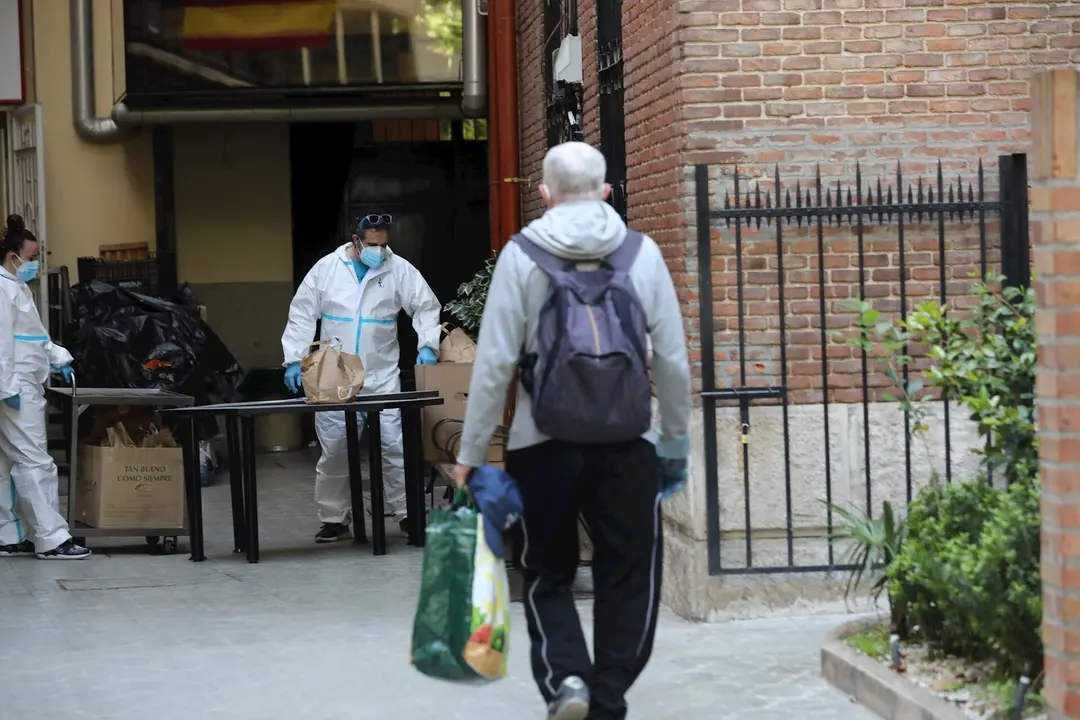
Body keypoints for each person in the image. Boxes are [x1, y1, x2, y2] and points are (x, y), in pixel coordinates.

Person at [453, 142, 692, 720]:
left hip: (543, 444)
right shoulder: (642, 254)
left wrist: (471, 452)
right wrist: (675, 444)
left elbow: (494, 365)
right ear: (606, 190)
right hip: (629, 442)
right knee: (629, 574)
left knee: (546, 572)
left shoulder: (521, 255)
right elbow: (673, 362)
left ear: (544, 193)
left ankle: (568, 682)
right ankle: (607, 695)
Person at [281, 212, 441, 543]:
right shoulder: (326, 269)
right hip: (333, 376)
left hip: (381, 375)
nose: (379, 251)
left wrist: (428, 345)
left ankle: (407, 514)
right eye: (372, 244)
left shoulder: (398, 269)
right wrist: (294, 360)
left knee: (393, 447)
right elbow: (301, 315)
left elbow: (425, 306)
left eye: (384, 244)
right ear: (356, 240)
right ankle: (334, 517)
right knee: (336, 448)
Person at [0, 214, 91, 560]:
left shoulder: (14, 287)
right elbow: (2, 343)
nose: (35, 264)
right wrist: (7, 387)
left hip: (17, 383)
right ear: (13, 257)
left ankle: (8, 534)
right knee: (35, 461)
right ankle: (52, 538)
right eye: (32, 257)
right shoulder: (3, 289)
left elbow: (32, 335)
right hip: (15, 389)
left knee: (6, 464)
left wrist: (57, 356)